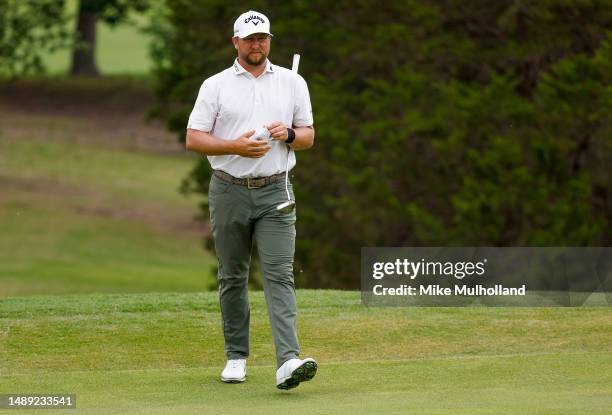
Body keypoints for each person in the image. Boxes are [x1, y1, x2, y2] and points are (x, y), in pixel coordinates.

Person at [185, 10, 317, 390]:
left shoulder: (293, 82)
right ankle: (236, 356)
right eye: (249, 39)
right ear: (236, 43)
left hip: (277, 190)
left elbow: (308, 136)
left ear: (269, 41)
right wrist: (235, 147)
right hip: (228, 189)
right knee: (232, 275)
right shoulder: (216, 85)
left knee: (279, 274)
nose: (257, 44)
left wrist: (289, 133)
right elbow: (194, 138)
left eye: (263, 38)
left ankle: (288, 361)